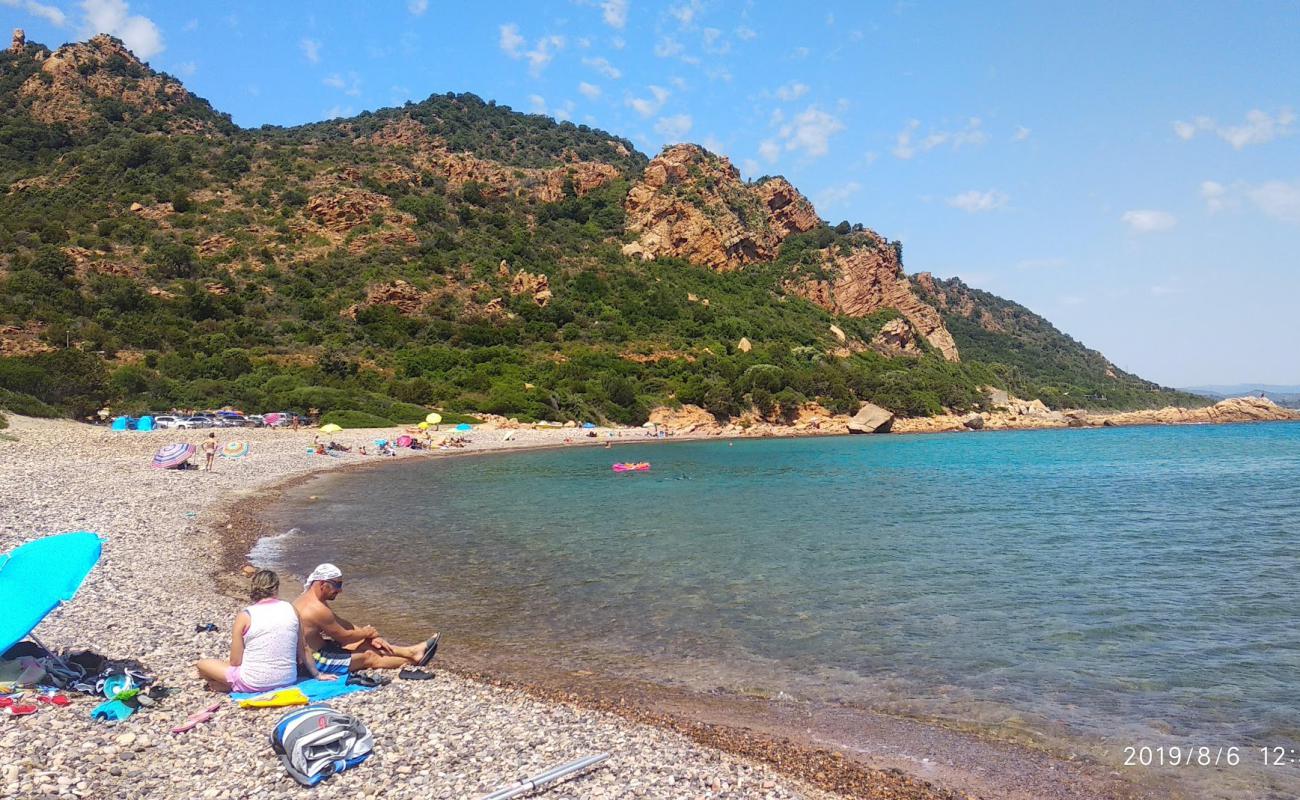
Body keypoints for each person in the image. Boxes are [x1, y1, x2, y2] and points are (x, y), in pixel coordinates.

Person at [195, 570, 334, 693]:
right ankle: (226, 684)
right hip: (287, 679)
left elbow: (236, 661)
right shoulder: (291, 609)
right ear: (276, 589)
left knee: (202, 665)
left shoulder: (245, 615)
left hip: (253, 683)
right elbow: (303, 648)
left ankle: (227, 686)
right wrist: (317, 675)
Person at [293, 564, 438, 674]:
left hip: (319, 650)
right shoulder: (316, 608)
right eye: (337, 585)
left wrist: (370, 635)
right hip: (313, 662)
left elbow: (343, 624)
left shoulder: (311, 599)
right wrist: (368, 632)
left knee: (365, 643)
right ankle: (411, 661)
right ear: (322, 584)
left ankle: (411, 652)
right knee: (368, 656)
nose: (340, 590)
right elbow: (345, 637)